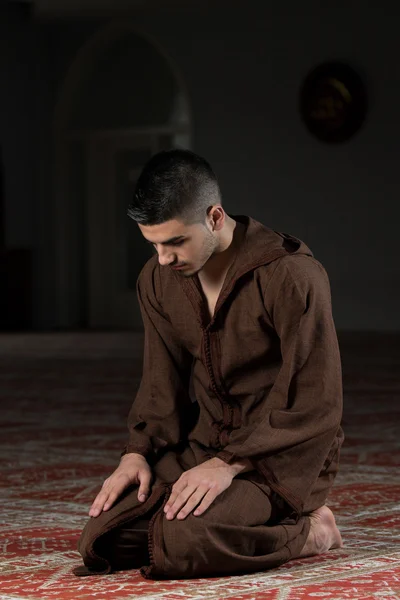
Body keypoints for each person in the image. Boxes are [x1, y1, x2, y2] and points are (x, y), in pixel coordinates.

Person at [74, 149, 344, 580]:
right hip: (203, 446)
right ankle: (233, 520)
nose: (163, 258)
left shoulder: (291, 275)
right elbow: (161, 385)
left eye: (176, 241)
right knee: (101, 539)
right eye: (154, 244)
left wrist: (230, 466)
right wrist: (136, 454)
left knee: (184, 543)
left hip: (279, 455)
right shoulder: (158, 280)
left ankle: (312, 531)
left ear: (215, 217)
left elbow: (316, 401)